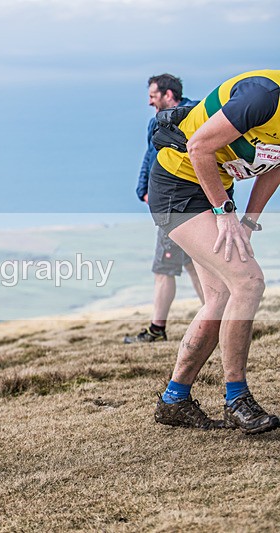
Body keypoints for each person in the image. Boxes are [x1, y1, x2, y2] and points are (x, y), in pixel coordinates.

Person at [149, 69, 280, 433]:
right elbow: (198, 147)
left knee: (220, 297)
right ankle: (237, 400)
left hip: (211, 188)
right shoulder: (263, 97)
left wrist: (249, 222)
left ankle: (174, 400)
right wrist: (226, 215)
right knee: (248, 282)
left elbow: (275, 167)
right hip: (177, 186)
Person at [124, 74, 205, 344]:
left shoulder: (193, 115)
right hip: (183, 203)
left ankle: (157, 330)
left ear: (168, 94)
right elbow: (151, 155)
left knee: (164, 269)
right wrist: (143, 189)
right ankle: (218, 318)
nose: (149, 102)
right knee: (195, 264)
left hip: (177, 205)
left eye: (152, 96)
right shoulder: (159, 122)